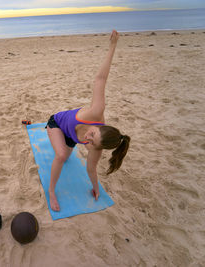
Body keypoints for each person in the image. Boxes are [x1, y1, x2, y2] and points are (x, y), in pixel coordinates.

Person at [46, 30, 130, 212]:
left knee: (66, 157)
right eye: (91, 134)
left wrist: (96, 188)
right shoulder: (96, 111)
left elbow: (91, 170)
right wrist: (113, 46)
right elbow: (101, 79)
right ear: (99, 127)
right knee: (60, 156)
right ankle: (51, 191)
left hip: (69, 136)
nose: (87, 139)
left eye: (91, 143)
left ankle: (63, 145)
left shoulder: (96, 149)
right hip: (56, 123)